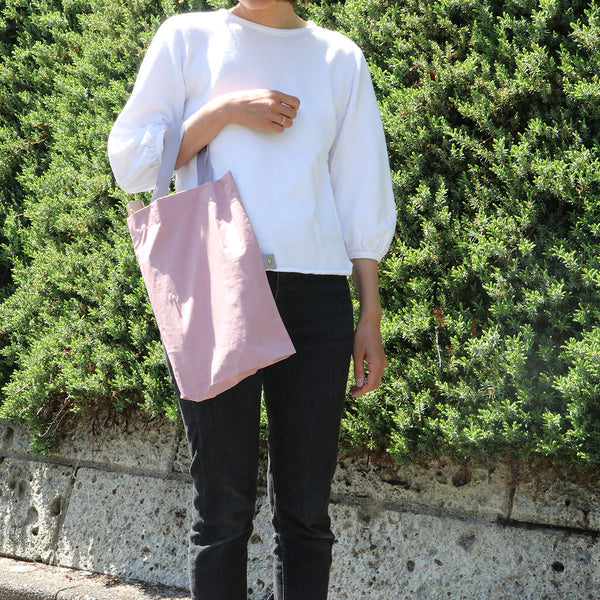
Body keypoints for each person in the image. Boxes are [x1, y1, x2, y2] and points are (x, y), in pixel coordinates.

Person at [108, 0, 396, 598]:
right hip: (217, 285)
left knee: (307, 513)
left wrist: (369, 312)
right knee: (222, 510)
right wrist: (223, 112)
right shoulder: (188, 38)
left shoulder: (338, 58)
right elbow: (132, 163)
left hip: (317, 296)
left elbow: (360, 192)